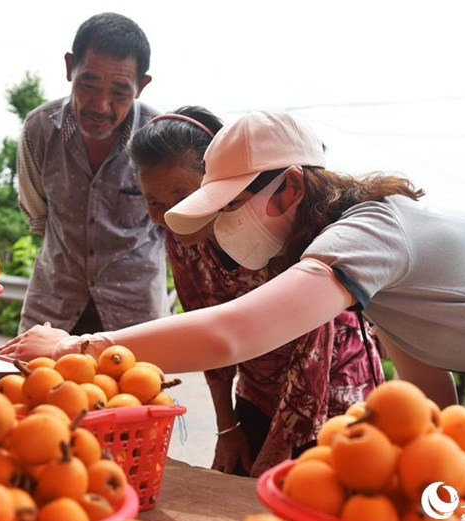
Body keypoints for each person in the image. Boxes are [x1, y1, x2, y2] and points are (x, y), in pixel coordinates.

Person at [0, 110, 465, 521]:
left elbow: (234, 330)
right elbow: (428, 389)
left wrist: (76, 344)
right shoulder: (373, 268)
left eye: (234, 207)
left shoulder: (371, 230)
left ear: (289, 188)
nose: (224, 227)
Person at [126, 106, 384, 476]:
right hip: (258, 389)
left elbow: (309, 351)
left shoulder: (268, 228)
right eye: (154, 202)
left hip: (332, 388)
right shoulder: (180, 232)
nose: (169, 214)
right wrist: (227, 426)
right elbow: (205, 333)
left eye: (182, 195)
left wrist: (277, 451)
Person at [16, 12, 167, 335]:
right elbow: (38, 216)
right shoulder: (39, 129)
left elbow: (178, 227)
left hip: (135, 319)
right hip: (51, 311)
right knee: (30, 386)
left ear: (142, 86)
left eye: (119, 92)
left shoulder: (161, 141)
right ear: (70, 67)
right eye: (89, 84)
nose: (100, 105)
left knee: (134, 388)